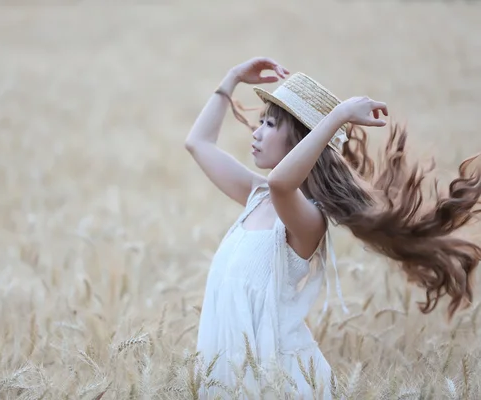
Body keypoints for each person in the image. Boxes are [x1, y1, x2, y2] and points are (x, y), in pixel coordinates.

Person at [184, 56, 481, 399]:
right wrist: (232, 77)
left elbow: (282, 182)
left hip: (280, 382)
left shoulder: (308, 218)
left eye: (269, 124)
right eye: (261, 122)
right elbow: (199, 143)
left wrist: (335, 117)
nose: (256, 131)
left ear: (299, 139)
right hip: (231, 375)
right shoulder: (257, 195)